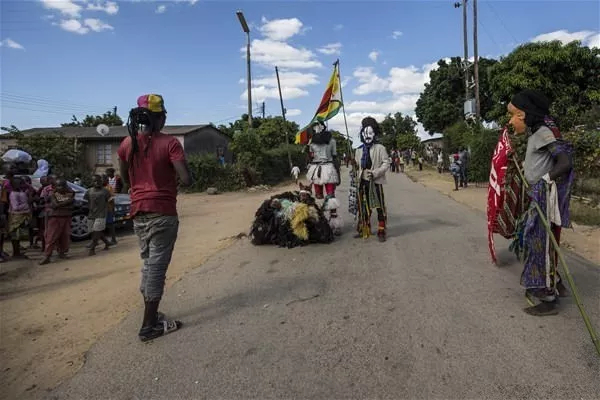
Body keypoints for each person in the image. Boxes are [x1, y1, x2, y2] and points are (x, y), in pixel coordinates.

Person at [118, 94, 192, 341]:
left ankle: (153, 314)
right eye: (164, 115)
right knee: (157, 269)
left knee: (149, 264)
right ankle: (148, 327)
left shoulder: (128, 144)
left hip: (139, 213)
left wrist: (137, 188)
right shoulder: (170, 143)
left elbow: (125, 178)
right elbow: (186, 179)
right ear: (159, 118)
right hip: (163, 213)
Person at [507, 89, 574, 316]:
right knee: (542, 242)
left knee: (541, 245)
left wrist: (544, 180)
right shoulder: (536, 134)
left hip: (544, 198)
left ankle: (548, 298)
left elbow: (564, 162)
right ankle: (556, 281)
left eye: (513, 115)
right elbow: (540, 162)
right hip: (538, 196)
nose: (510, 120)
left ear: (523, 114)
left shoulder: (544, 132)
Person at [352, 117, 391, 242]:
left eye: (370, 133)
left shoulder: (380, 148)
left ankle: (381, 229)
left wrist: (375, 173)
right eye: (365, 133)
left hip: (376, 181)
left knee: (379, 206)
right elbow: (357, 166)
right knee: (364, 206)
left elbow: (386, 163)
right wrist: (354, 166)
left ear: (374, 134)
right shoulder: (358, 150)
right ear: (362, 134)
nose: (367, 135)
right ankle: (365, 228)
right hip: (362, 182)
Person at [305, 121, 342, 235]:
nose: (316, 129)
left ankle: (333, 224)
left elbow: (334, 157)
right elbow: (311, 157)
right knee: (319, 197)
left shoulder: (330, 141)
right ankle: (320, 222)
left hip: (325, 169)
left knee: (330, 198)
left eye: (317, 127)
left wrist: (338, 174)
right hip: (319, 169)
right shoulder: (312, 142)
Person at [39, 178, 74, 265]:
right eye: (58, 186)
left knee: (65, 236)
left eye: (63, 186)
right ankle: (47, 256)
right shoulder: (53, 194)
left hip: (66, 217)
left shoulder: (71, 194)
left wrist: (61, 205)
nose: (61, 188)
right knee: (51, 237)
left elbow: (72, 207)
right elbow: (55, 205)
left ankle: (62, 253)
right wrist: (67, 203)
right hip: (55, 217)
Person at [84, 175, 112, 256]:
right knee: (93, 231)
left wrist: (110, 211)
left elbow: (110, 201)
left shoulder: (105, 191)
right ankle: (107, 242)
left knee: (97, 231)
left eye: (99, 181)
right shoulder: (89, 191)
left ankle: (92, 249)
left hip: (101, 214)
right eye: (95, 181)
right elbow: (86, 201)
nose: (97, 183)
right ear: (92, 182)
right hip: (91, 214)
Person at [7, 177, 32, 258]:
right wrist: (27, 204)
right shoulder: (13, 194)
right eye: (21, 183)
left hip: (22, 215)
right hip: (16, 217)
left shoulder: (21, 192)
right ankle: (16, 253)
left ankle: (18, 252)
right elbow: (15, 207)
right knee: (15, 235)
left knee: (19, 236)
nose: (23, 185)